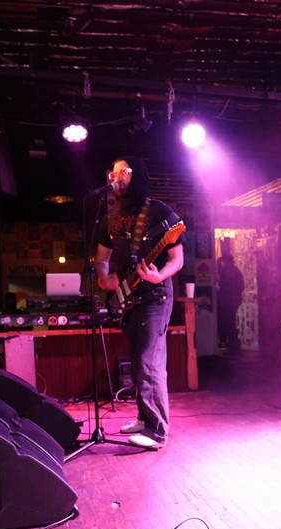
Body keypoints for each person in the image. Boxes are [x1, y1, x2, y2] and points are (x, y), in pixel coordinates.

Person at [94, 156, 184, 450]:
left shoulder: (158, 211)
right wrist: (104, 280)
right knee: (138, 361)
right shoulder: (111, 218)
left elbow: (177, 259)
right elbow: (101, 260)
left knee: (148, 360)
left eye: (124, 171)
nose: (116, 176)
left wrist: (160, 276)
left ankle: (157, 431)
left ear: (138, 175)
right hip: (128, 297)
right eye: (114, 172)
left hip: (155, 295)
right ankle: (145, 419)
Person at [216, 253, 245, 354]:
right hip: (235, 300)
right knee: (231, 321)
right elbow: (242, 286)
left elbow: (221, 286)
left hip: (228, 300)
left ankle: (234, 345)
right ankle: (235, 345)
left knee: (229, 322)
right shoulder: (237, 271)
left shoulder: (225, 271)